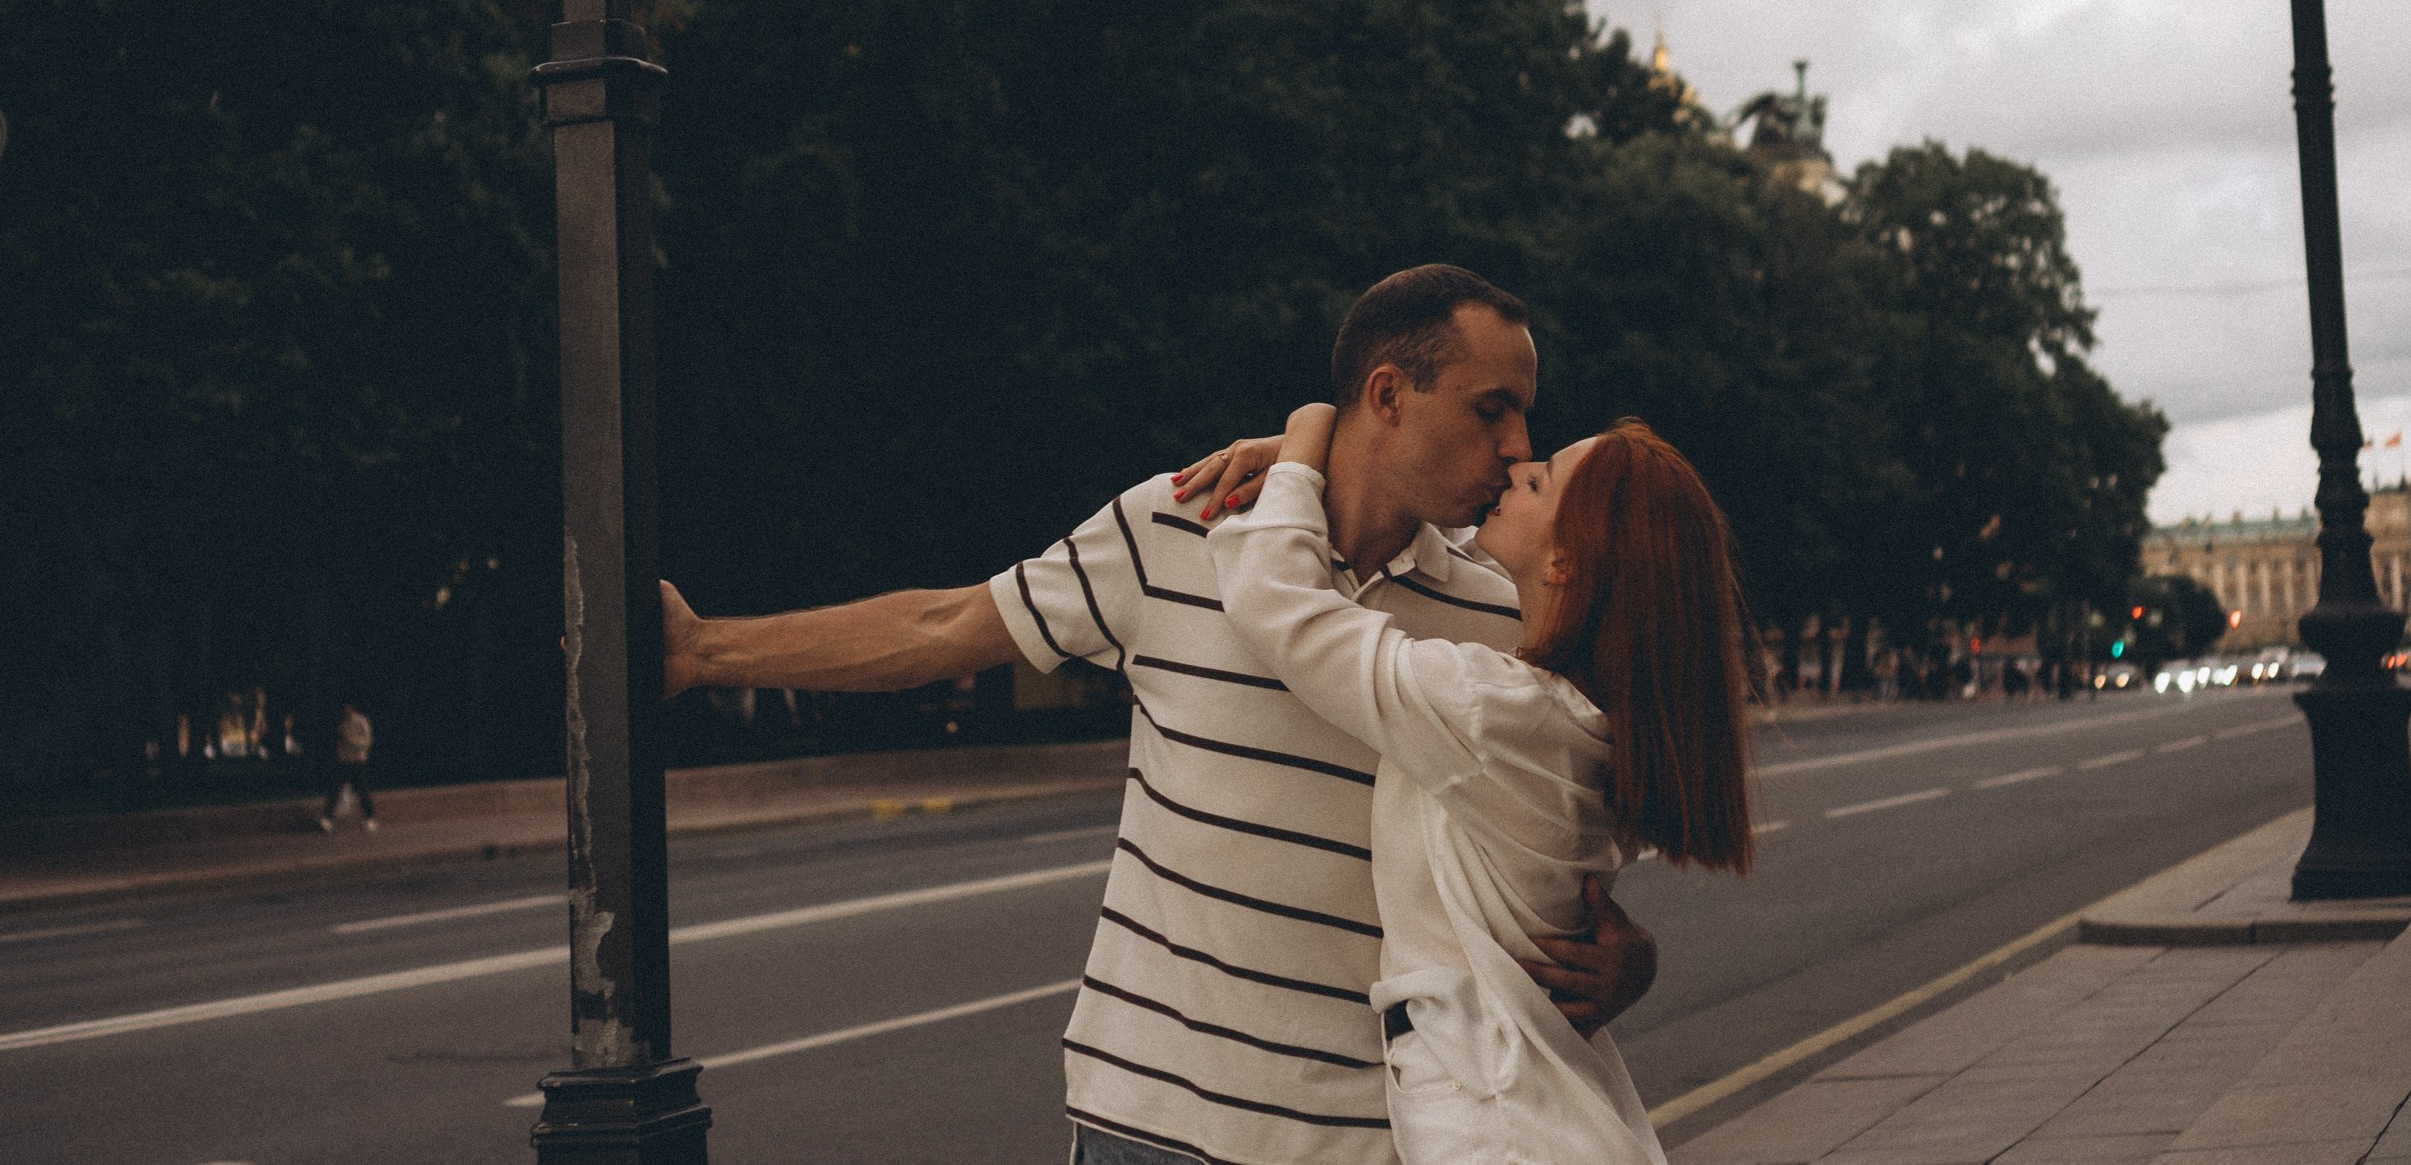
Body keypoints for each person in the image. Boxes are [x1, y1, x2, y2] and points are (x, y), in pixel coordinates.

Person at [660, 265, 1657, 1165]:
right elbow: (944, 626)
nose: (1518, 444)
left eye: (1524, 416)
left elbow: (1564, 815)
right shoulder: (1179, 523)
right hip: (1149, 1121)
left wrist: (1629, 953)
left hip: (1364, 1134)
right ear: (1389, 396)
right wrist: (706, 651)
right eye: (1493, 410)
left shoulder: (1502, 608)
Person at [1205, 404, 1754, 1163]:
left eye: (1543, 478)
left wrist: (1307, 436)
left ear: (1566, 560)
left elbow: (1281, 609)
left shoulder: (1496, 710)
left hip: (1493, 1125)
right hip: (1522, 1104)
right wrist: (1353, 460)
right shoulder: (1588, 720)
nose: (1517, 467)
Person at [315, 701, 375, 833]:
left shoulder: (361, 721)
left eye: (346, 708)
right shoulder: (342, 723)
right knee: (334, 790)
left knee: (363, 791)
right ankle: (326, 819)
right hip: (343, 762)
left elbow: (367, 742)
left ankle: (369, 819)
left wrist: (351, 740)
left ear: (351, 708)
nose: (344, 711)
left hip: (358, 762)